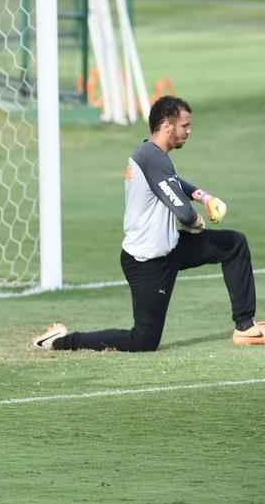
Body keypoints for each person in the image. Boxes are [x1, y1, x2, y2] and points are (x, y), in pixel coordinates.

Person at [34, 96, 263, 352]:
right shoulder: (152, 158)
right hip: (147, 262)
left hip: (171, 248)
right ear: (166, 126)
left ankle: (245, 326)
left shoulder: (151, 155)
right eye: (184, 125)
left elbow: (174, 181)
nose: (189, 131)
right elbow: (184, 214)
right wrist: (195, 221)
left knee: (233, 244)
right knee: (143, 340)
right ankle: (59, 341)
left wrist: (204, 197)